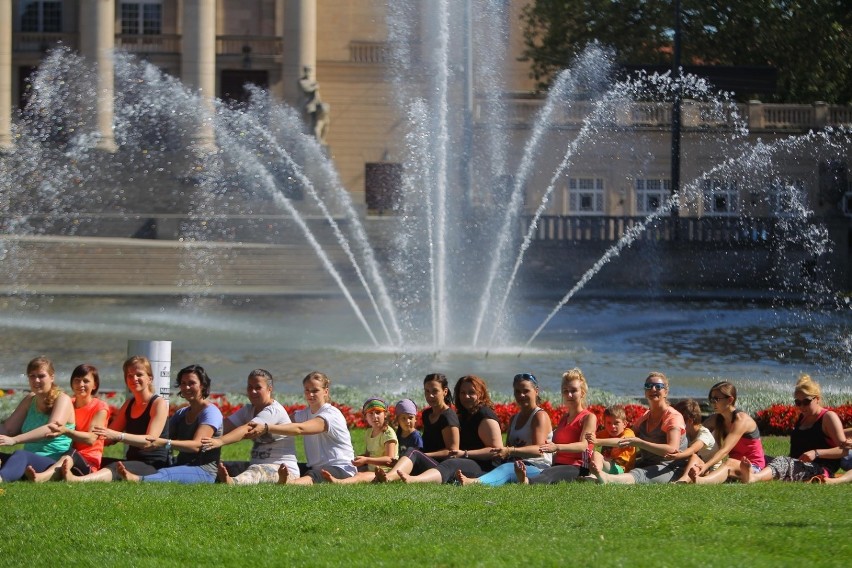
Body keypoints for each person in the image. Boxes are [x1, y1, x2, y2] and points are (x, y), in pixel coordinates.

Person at [64, 355, 169, 482]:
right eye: (129, 375)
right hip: (132, 460)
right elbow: (108, 438)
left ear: (149, 378)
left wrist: (118, 436)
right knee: (90, 461)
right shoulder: (129, 404)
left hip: (152, 464)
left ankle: (76, 481)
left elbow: (150, 441)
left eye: (139, 374)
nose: (134, 378)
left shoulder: (158, 403)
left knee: (115, 467)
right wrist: (88, 433)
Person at [383, 374, 503, 484]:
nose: (466, 396)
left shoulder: (484, 415)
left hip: (484, 467)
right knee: (414, 453)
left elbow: (497, 451)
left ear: (481, 393)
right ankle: (389, 476)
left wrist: (465, 453)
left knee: (449, 463)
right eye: (462, 392)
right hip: (461, 462)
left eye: (471, 392)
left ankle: (408, 479)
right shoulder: (463, 415)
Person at [246, 371, 356, 485]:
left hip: (341, 468)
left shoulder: (331, 414)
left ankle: (288, 484)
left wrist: (266, 427)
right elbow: (283, 423)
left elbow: (300, 429)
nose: (310, 394)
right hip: (315, 467)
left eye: (315, 390)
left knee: (314, 475)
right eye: (307, 390)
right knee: (293, 468)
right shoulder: (304, 414)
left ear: (325, 391)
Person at [119, 364, 223, 484]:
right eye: (183, 383)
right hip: (181, 465)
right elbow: (163, 437)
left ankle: (137, 479)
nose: (186, 387)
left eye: (191, 383)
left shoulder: (211, 412)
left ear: (203, 385)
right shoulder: (181, 413)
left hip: (203, 471)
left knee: (166, 474)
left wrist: (163, 443)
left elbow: (196, 446)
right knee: (162, 469)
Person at [741, 374, 846, 483]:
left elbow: (843, 450)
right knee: (759, 458)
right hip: (795, 463)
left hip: (819, 468)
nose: (802, 407)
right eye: (798, 403)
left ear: (817, 399)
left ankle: (754, 477)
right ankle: (738, 472)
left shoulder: (828, 417)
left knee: (783, 462)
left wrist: (816, 453)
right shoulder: (802, 417)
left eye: (806, 402)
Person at [591, 371, 687, 484]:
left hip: (670, 467)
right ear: (645, 392)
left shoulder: (672, 417)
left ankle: (608, 479)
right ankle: (594, 475)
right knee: (621, 465)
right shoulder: (646, 416)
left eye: (658, 386)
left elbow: (672, 449)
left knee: (638, 473)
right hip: (646, 462)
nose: (653, 389)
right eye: (648, 386)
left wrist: (640, 443)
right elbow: (626, 438)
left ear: (666, 391)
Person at [204, 369, 298, 485]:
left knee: (257, 471)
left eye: (258, 388)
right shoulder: (248, 410)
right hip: (257, 465)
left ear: (270, 389)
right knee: (222, 465)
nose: (253, 391)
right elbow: (223, 426)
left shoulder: (273, 411)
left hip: (283, 470)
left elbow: (247, 429)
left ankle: (233, 482)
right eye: (250, 387)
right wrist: (204, 431)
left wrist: (219, 441)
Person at [457, 372, 552, 486]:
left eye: (526, 391)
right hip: (513, 463)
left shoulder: (539, 416)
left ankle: (474, 483)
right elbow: (507, 450)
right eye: (517, 391)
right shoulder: (514, 418)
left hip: (536, 466)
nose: (521, 395)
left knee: (507, 469)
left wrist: (510, 450)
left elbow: (539, 451)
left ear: (536, 391)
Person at [26, 364, 110, 482]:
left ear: (94, 385)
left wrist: (66, 431)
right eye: (77, 380)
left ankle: (41, 477)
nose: (81, 385)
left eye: (86, 381)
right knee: (66, 454)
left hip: (88, 461)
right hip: (65, 455)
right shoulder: (68, 402)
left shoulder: (100, 407)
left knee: (71, 454)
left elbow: (91, 439)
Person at [0, 357, 75, 482]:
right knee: (18, 457)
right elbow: (8, 428)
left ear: (52, 377)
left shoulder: (62, 399)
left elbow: (51, 429)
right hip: (28, 460)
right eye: (32, 376)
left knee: (21, 455)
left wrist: (14, 440)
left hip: (52, 462)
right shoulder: (30, 399)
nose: (36, 380)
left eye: (41, 376)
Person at [374, 373, 459, 482]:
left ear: (445, 392)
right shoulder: (427, 414)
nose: (430, 396)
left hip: (442, 467)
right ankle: (389, 474)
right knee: (409, 454)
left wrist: (421, 455)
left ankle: (388, 478)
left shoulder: (448, 417)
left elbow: (452, 451)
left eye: (435, 391)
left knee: (412, 452)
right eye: (427, 391)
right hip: (425, 460)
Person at [522, 368, 597, 485]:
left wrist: (557, 447)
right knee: (542, 470)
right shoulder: (564, 418)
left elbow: (583, 446)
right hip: (557, 465)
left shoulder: (588, 417)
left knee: (550, 474)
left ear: (582, 392)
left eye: (573, 391)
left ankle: (527, 482)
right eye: (565, 391)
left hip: (577, 467)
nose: (569, 395)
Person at [686, 381, 766, 484]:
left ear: (730, 400)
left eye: (716, 399)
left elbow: (725, 450)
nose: (713, 403)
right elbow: (697, 433)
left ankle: (700, 481)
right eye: (711, 399)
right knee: (706, 460)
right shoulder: (716, 419)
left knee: (729, 462)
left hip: (752, 466)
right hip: (733, 465)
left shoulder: (741, 420)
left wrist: (705, 466)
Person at [322, 397, 398, 484]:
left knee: (360, 476)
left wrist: (366, 460)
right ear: (366, 417)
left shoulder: (388, 433)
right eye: (371, 414)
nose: (375, 417)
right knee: (350, 469)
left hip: (385, 472)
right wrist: (358, 459)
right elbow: (369, 454)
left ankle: (338, 482)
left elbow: (390, 460)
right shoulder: (369, 432)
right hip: (371, 468)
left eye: (378, 412)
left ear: (385, 414)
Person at [669, 398, 717, 483]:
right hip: (693, 467)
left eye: (678, 420)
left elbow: (692, 450)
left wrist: (677, 455)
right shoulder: (686, 433)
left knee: (694, 456)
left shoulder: (704, 434)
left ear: (690, 421)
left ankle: (684, 480)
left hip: (709, 470)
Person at [591, 404, 636, 475]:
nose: (612, 426)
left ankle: (597, 474)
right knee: (593, 455)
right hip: (607, 464)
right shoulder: (606, 433)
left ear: (624, 424)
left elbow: (621, 442)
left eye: (616, 423)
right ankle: (596, 473)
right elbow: (592, 436)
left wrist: (596, 441)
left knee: (596, 455)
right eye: (609, 423)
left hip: (621, 470)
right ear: (604, 424)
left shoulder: (628, 433)